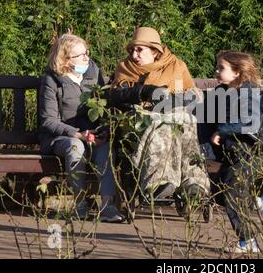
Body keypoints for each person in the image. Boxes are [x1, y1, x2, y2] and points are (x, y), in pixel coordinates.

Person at [109, 27, 210, 202]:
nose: (134, 55)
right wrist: (142, 92)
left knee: (186, 120)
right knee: (164, 122)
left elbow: (192, 93)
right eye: (132, 50)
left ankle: (194, 183)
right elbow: (116, 96)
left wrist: (181, 99)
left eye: (140, 50)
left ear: (155, 51)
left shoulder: (176, 65)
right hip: (138, 121)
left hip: (175, 117)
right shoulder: (125, 68)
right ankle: (159, 180)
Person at [38, 33, 125, 223]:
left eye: (87, 52)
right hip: (61, 137)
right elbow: (48, 120)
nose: (87, 58)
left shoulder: (93, 72)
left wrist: (102, 129)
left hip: (92, 134)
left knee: (106, 148)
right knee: (75, 146)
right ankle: (80, 204)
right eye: (81, 55)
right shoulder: (52, 80)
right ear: (65, 59)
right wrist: (77, 134)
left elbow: (104, 105)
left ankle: (108, 207)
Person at [207, 50, 263, 254]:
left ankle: (248, 242)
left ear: (237, 72)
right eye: (218, 66)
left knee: (231, 196)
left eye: (222, 67)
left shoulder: (249, 92)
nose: (217, 70)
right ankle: (261, 202)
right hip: (231, 152)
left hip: (245, 151)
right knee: (218, 191)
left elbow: (250, 123)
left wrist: (223, 130)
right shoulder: (225, 91)